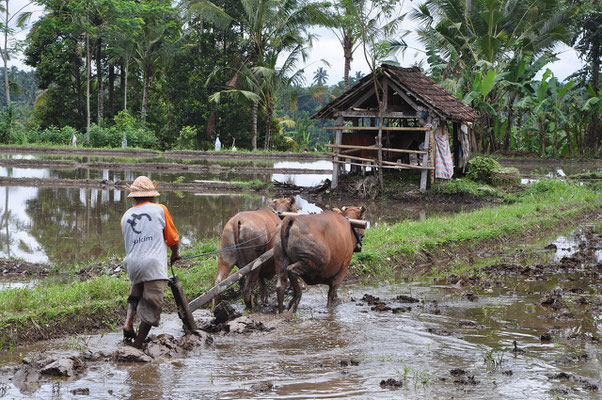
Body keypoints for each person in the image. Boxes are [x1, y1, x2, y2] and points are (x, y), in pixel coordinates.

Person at [120, 176, 181, 348]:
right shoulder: (160, 209)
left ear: (134, 196)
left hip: (132, 263)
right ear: (152, 195)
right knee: (152, 303)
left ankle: (128, 322)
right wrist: (175, 254)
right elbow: (172, 239)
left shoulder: (125, 216)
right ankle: (139, 343)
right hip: (153, 264)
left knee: (135, 293)